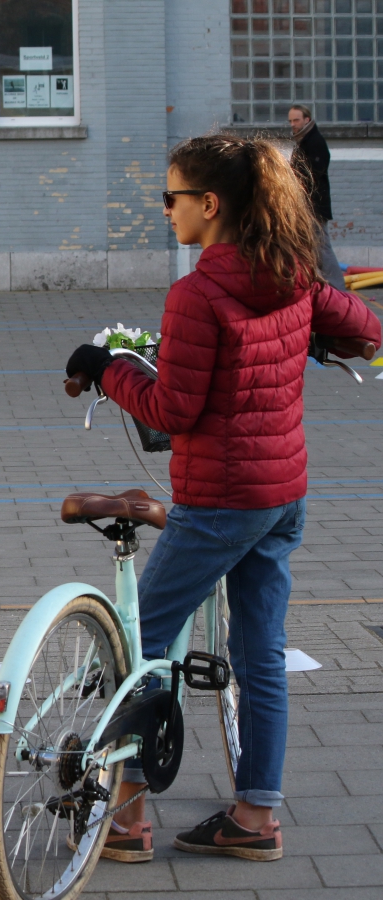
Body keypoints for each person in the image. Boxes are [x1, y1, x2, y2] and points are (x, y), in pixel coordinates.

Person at [65, 134, 380, 862]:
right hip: (281, 493)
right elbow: (366, 330)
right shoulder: (292, 273)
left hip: (220, 500)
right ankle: (255, 815)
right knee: (260, 653)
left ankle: (128, 813)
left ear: (209, 206)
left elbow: (172, 409)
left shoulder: (199, 294)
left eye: (171, 196)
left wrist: (105, 367)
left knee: (136, 642)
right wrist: (312, 338)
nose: (165, 209)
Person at [288, 104, 345, 289]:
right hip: (308, 207)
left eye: (296, 120)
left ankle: (338, 289)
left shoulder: (314, 143)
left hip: (314, 208)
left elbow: (312, 175)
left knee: (321, 248)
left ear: (307, 120)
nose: (293, 124)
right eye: (290, 121)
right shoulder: (305, 141)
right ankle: (321, 287)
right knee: (311, 248)